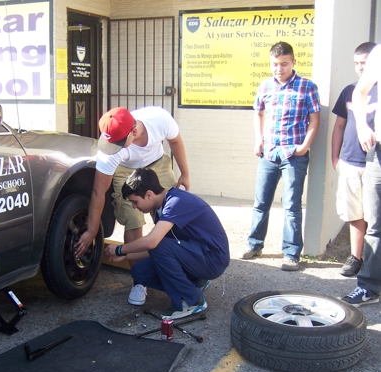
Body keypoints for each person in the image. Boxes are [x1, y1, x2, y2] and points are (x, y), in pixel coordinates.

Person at [75, 106, 190, 306]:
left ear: (134, 132)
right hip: (124, 170)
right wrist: (92, 231)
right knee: (133, 217)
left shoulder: (159, 119)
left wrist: (185, 173)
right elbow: (98, 192)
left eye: (119, 143)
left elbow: (176, 141)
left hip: (157, 164)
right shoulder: (111, 153)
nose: (113, 147)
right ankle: (140, 280)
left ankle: (183, 268)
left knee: (171, 212)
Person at [239, 41, 321, 271]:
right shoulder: (265, 86)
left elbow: (315, 119)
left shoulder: (307, 86)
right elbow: (259, 113)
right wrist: (258, 139)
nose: (279, 69)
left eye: (284, 64)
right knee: (260, 202)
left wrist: (304, 146)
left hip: (294, 154)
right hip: (269, 153)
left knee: (292, 205)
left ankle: (292, 254)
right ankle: (255, 245)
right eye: (275, 64)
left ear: (293, 62)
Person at [105, 168, 229, 319]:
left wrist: (120, 250)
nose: (134, 207)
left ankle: (192, 301)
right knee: (139, 271)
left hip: (213, 259)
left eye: (135, 201)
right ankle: (194, 283)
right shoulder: (161, 208)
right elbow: (158, 248)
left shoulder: (176, 201)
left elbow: (152, 243)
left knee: (160, 245)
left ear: (149, 194)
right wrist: (126, 256)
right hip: (196, 254)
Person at [331, 42, 378, 277]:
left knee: (374, 216)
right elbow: (339, 126)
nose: (360, 68)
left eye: (365, 63)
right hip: (350, 161)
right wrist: (335, 158)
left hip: (374, 163)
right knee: (354, 213)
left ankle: (373, 263)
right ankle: (355, 258)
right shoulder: (350, 90)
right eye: (356, 63)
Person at [342, 43, 381, 307]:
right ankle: (368, 287)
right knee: (375, 225)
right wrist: (362, 128)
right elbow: (360, 92)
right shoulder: (378, 53)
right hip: (378, 155)